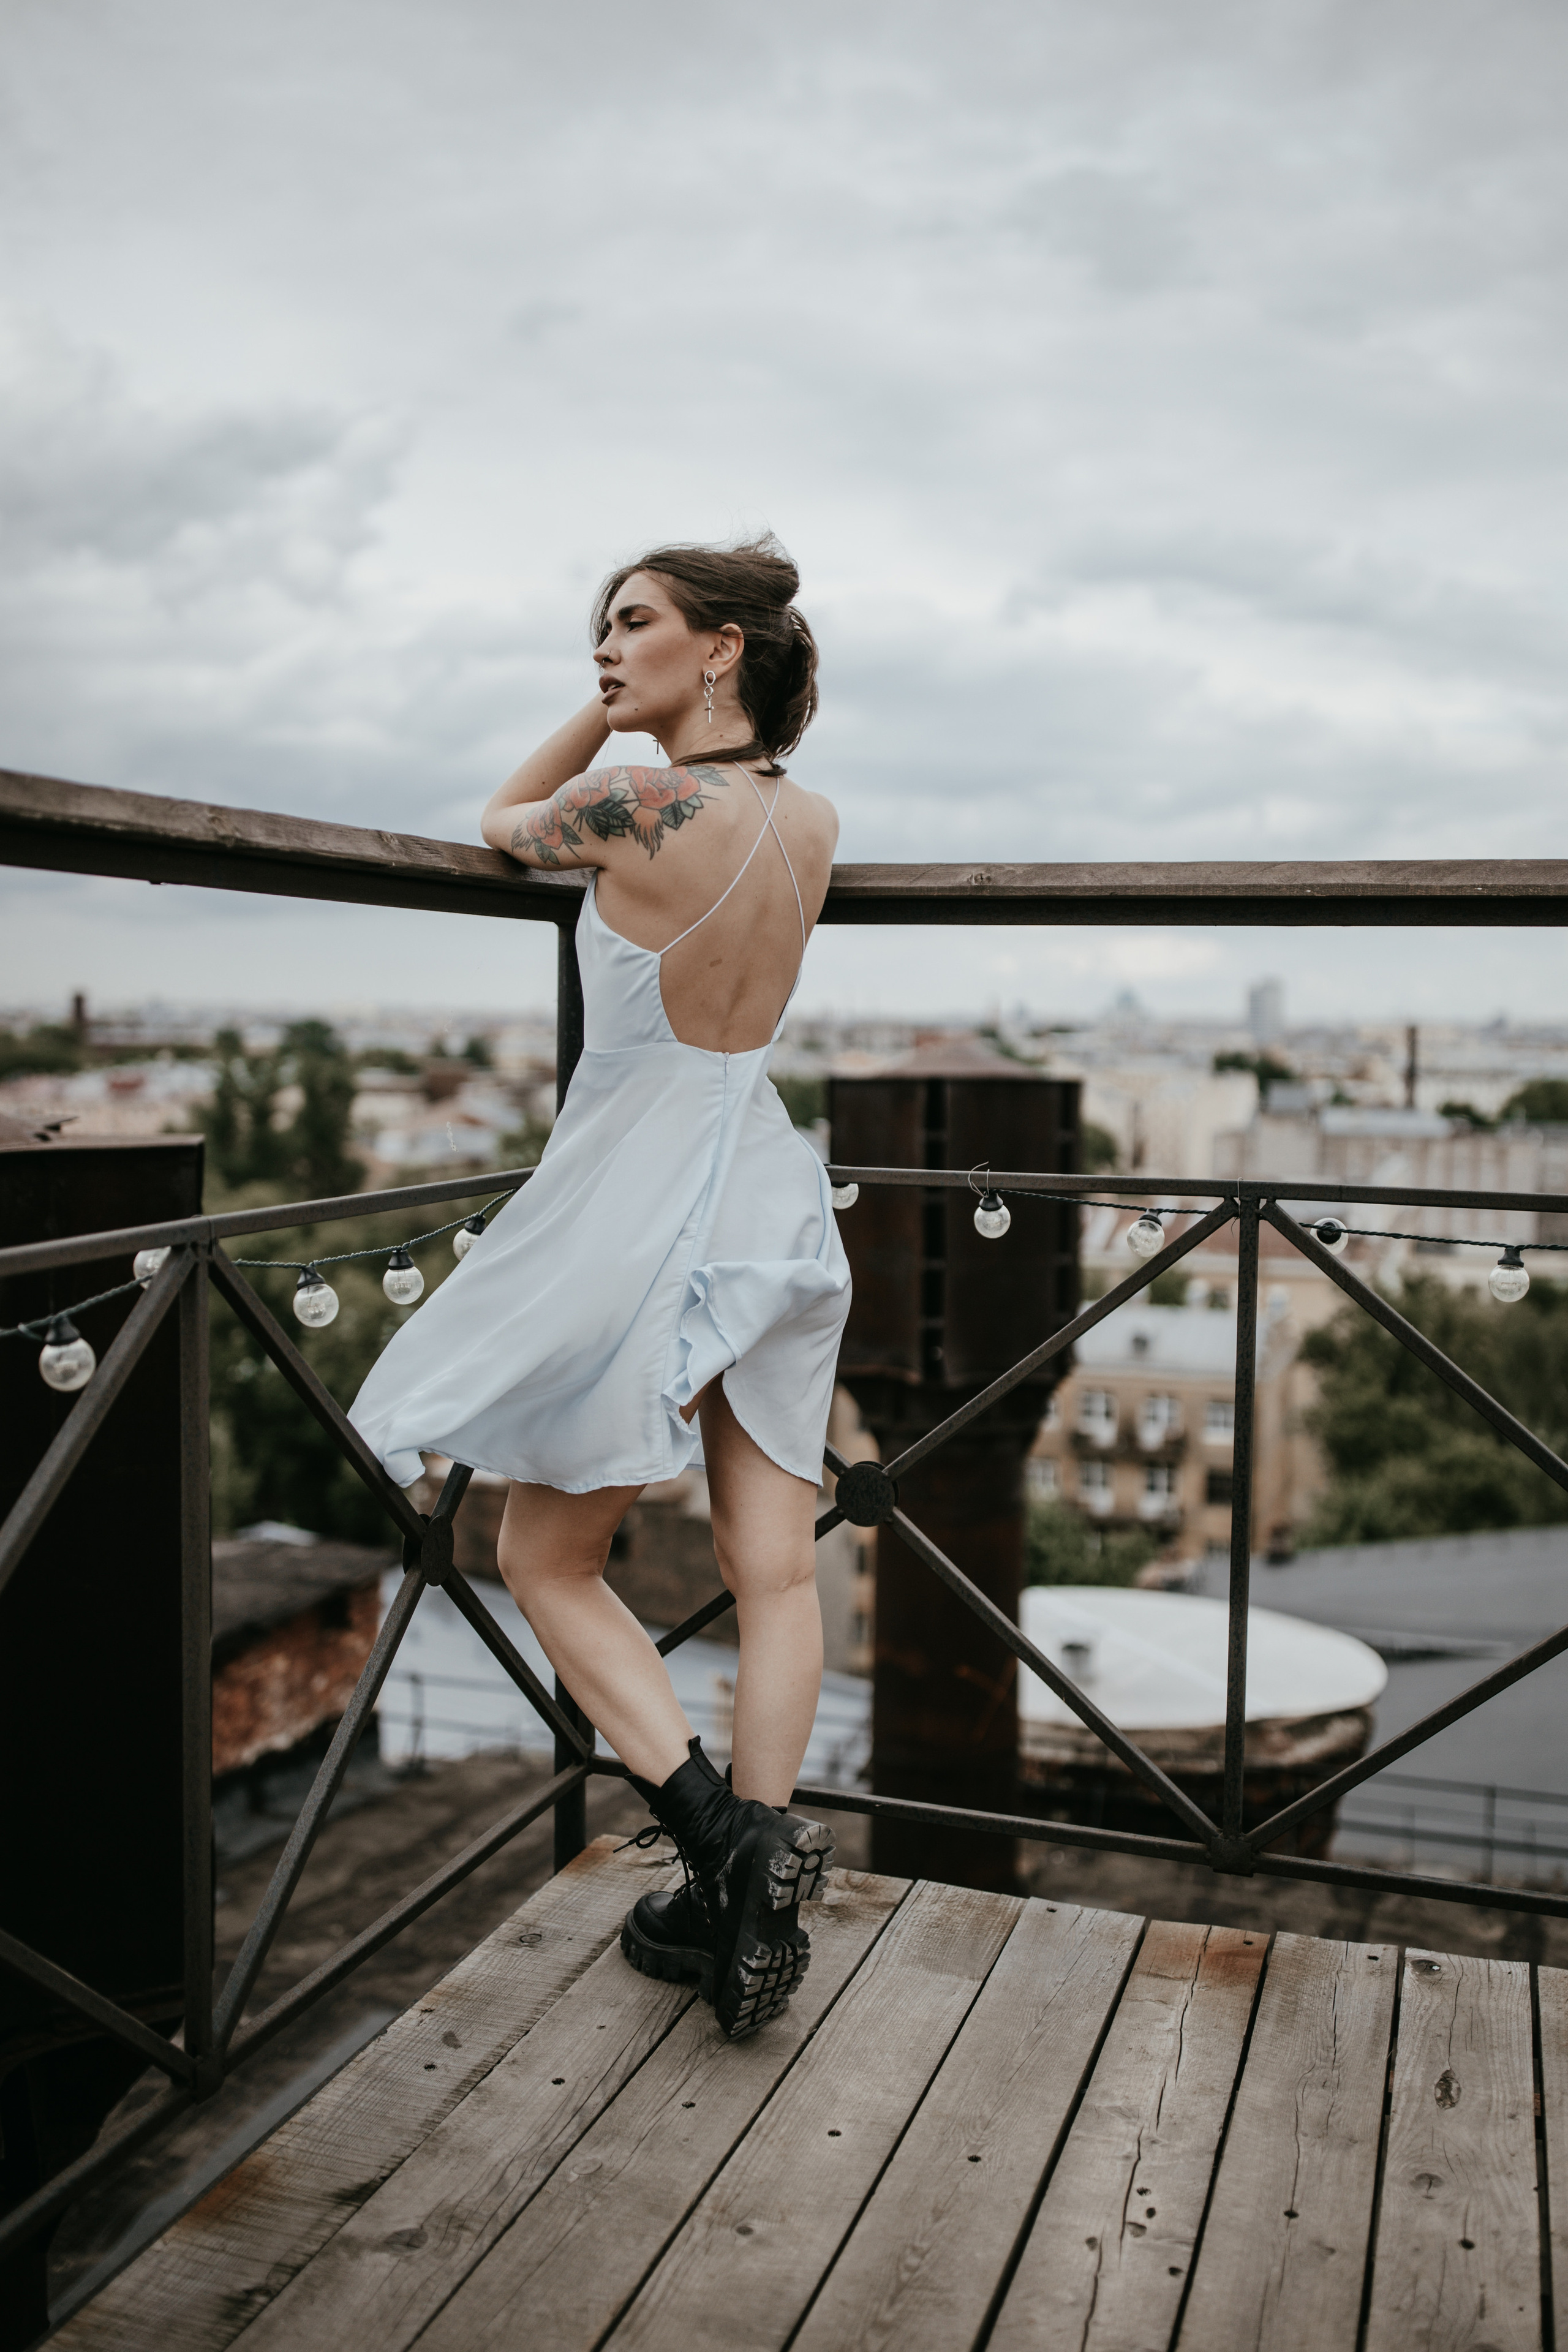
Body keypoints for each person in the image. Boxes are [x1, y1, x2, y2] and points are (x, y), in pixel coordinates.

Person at [349, 535, 851, 2040]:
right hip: (764, 1189)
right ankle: (740, 1884)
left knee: (546, 1559)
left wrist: (601, 725)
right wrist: (633, 700)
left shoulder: (636, 802)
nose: (602, 651)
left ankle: (721, 1845)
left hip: (641, 1202)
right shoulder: (813, 820)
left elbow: (504, 822)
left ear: (719, 650)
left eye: (630, 626)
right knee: (778, 1574)